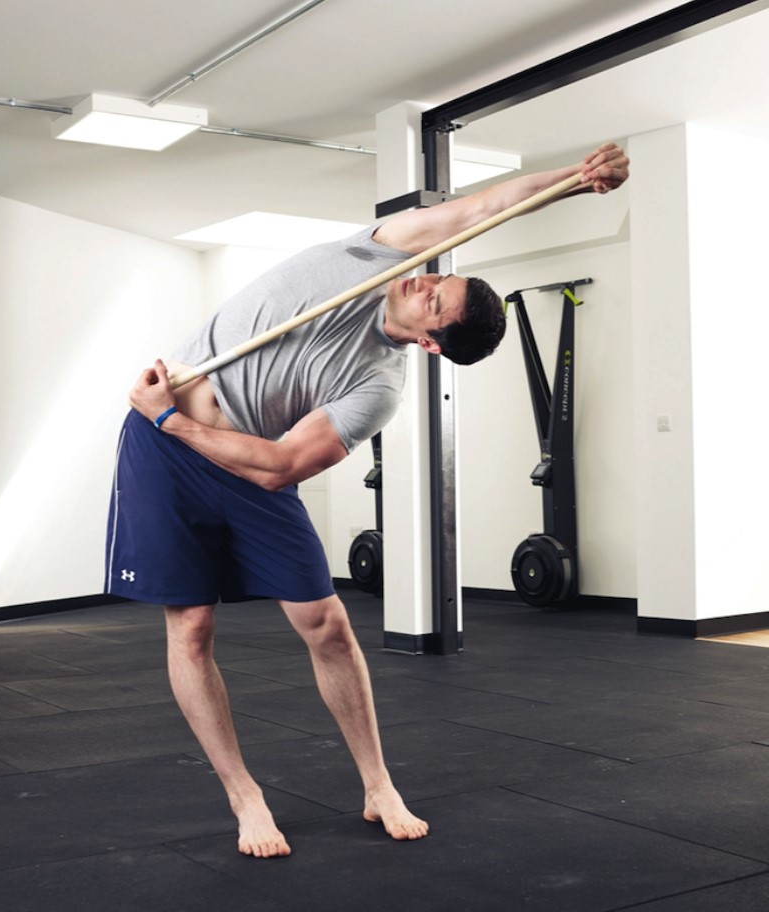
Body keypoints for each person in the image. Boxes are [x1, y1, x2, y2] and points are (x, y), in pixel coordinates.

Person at [105, 142, 629, 858]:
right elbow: (482, 208)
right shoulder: (372, 258)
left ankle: (378, 784)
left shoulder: (378, 388)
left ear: (433, 343)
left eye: (435, 301)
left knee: (327, 624)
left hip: (223, 449)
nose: (425, 284)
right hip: (162, 452)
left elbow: (280, 466)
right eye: (436, 278)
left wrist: (172, 415)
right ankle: (243, 794)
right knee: (191, 627)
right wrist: (574, 180)